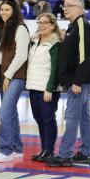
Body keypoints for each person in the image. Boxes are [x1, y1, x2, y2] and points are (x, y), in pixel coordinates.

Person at [47, 0, 90, 167]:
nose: (65, 8)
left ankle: (65, 155)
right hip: (79, 80)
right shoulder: (73, 26)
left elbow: (86, 57)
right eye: (64, 5)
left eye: (69, 5)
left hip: (80, 81)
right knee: (83, 117)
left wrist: (77, 81)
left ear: (79, 8)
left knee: (71, 117)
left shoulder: (82, 25)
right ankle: (85, 153)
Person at [0, 0, 30, 163]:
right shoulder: (3, 28)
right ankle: (16, 148)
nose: (4, 12)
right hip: (5, 75)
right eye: (2, 9)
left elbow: (21, 55)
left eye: (7, 9)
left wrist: (8, 75)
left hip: (16, 76)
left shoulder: (20, 28)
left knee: (5, 112)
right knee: (11, 112)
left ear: (14, 11)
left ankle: (5, 150)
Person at [27, 13, 61, 162]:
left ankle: (49, 150)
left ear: (53, 25)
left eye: (45, 23)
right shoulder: (35, 41)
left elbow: (55, 69)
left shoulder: (56, 43)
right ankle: (43, 150)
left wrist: (50, 88)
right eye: (39, 22)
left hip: (47, 89)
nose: (41, 25)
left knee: (48, 120)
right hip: (33, 86)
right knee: (39, 119)